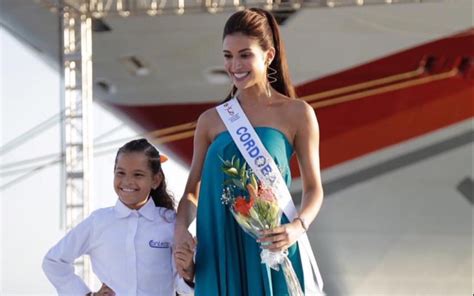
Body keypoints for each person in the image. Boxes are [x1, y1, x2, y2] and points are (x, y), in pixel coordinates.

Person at [174, 8, 324, 295]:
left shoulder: (298, 114)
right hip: (218, 248)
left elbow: (314, 190)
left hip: (272, 246)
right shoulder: (210, 120)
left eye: (245, 55)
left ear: (268, 56)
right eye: (228, 56)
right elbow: (192, 191)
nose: (235, 65)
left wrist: (296, 228)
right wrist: (181, 233)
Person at [42, 138, 195, 296]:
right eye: (120, 173)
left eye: (138, 175)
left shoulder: (171, 223)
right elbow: (53, 262)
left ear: (155, 180)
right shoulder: (99, 222)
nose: (127, 181)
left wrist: (190, 273)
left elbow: (183, 288)